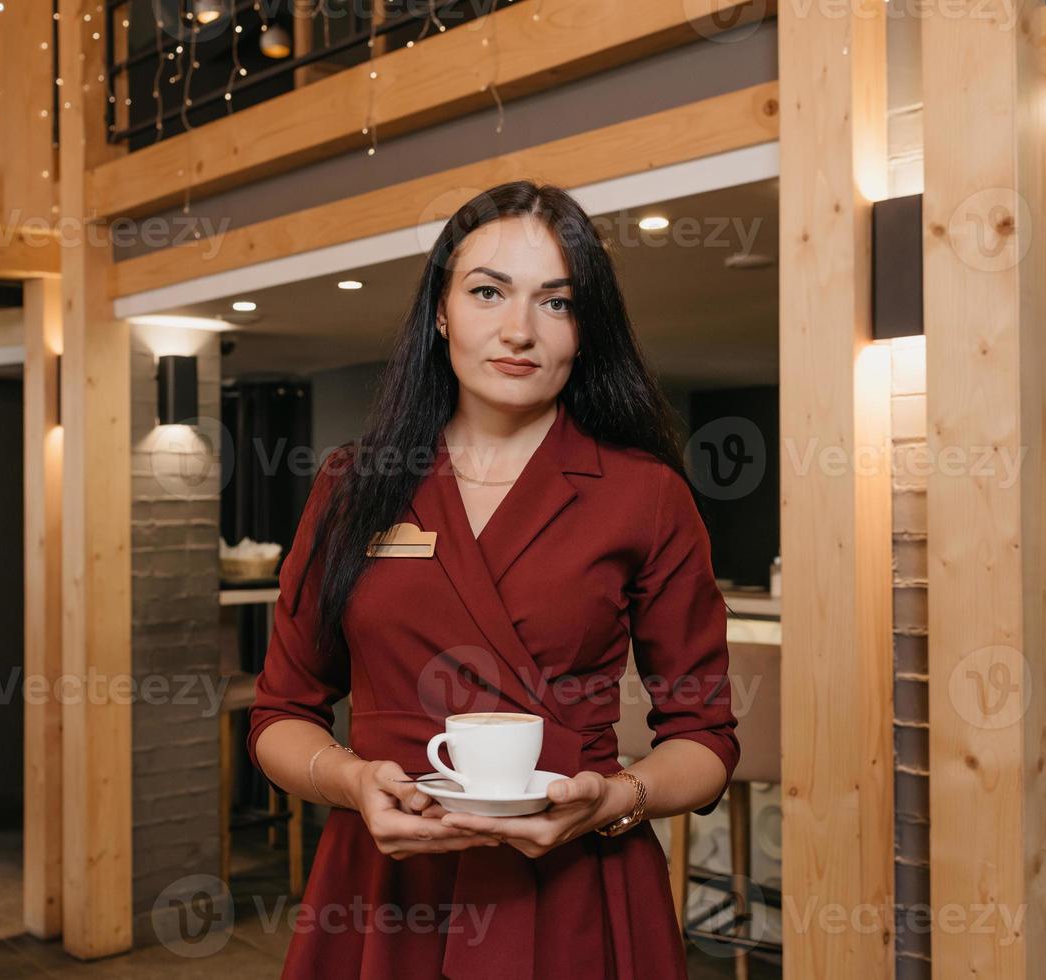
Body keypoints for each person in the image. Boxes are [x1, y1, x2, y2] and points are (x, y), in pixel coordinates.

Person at [248, 180, 740, 979]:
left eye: (557, 302)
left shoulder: (643, 493)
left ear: (586, 330)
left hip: (577, 884)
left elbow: (705, 739)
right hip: (385, 883)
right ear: (440, 312)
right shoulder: (353, 484)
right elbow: (280, 715)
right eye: (488, 292)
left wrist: (615, 801)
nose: (519, 331)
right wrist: (351, 782)